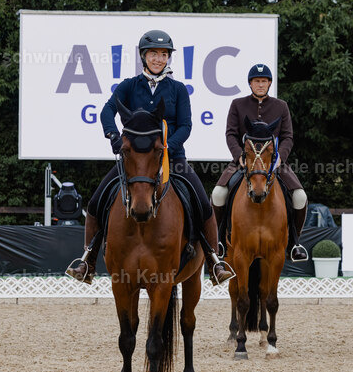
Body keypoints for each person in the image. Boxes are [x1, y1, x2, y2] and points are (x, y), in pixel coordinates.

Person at [65, 31, 235, 286]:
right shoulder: (129, 86)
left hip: (173, 158)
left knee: (204, 204)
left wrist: (167, 147)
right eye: (154, 54)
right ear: (144, 56)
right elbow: (107, 111)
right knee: (96, 203)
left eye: (163, 54)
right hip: (134, 162)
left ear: (168, 58)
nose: (158, 59)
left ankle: (214, 261)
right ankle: (87, 260)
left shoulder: (177, 89)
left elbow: (186, 126)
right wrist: (113, 135)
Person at [211, 64, 309, 262]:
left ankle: (294, 243)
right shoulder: (238, 104)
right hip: (243, 161)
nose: (261, 85)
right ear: (250, 83)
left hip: (273, 162)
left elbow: (288, 136)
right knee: (218, 193)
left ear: (270, 83)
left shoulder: (281, 106)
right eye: (257, 81)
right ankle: (220, 241)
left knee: (299, 196)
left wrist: (280, 155)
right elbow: (230, 133)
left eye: (264, 81)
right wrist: (239, 154)